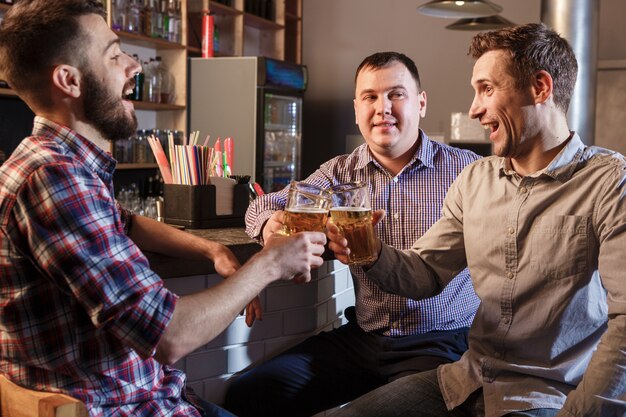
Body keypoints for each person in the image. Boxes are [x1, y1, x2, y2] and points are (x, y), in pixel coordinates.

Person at [0, 1, 327, 416]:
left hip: (149, 399)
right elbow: (170, 336)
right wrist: (267, 264)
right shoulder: (55, 180)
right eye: (114, 54)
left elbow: (128, 222)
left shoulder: (57, 164)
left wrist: (213, 251)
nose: (133, 65)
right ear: (69, 81)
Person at [326, 23, 626, 417]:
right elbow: (425, 273)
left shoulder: (611, 182)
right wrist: (370, 250)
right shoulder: (475, 180)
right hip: (465, 380)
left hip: (548, 396)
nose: (474, 109)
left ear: (540, 87)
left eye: (487, 89)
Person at [224, 52, 481, 417]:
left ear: (421, 103)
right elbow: (262, 206)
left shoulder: (466, 170)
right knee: (250, 394)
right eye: (370, 97)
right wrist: (273, 228)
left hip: (439, 342)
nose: (382, 108)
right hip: (364, 338)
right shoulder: (338, 172)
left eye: (396, 94)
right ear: (356, 107)